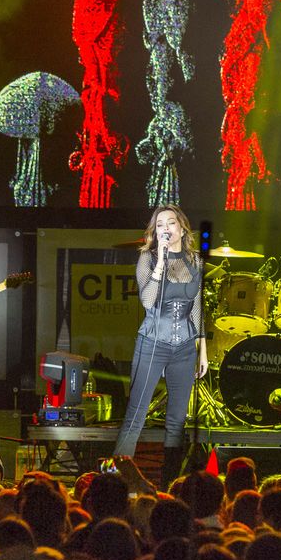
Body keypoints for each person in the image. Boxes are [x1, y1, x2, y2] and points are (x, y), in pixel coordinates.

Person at [113, 204, 208, 487]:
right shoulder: (148, 258)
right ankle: (116, 481)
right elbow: (147, 301)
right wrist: (161, 262)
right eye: (160, 225)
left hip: (185, 347)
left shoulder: (195, 260)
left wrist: (202, 351)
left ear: (182, 228)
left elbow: (197, 307)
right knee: (136, 415)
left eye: (171, 223)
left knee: (176, 422)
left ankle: (170, 484)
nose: (165, 228)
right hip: (153, 343)